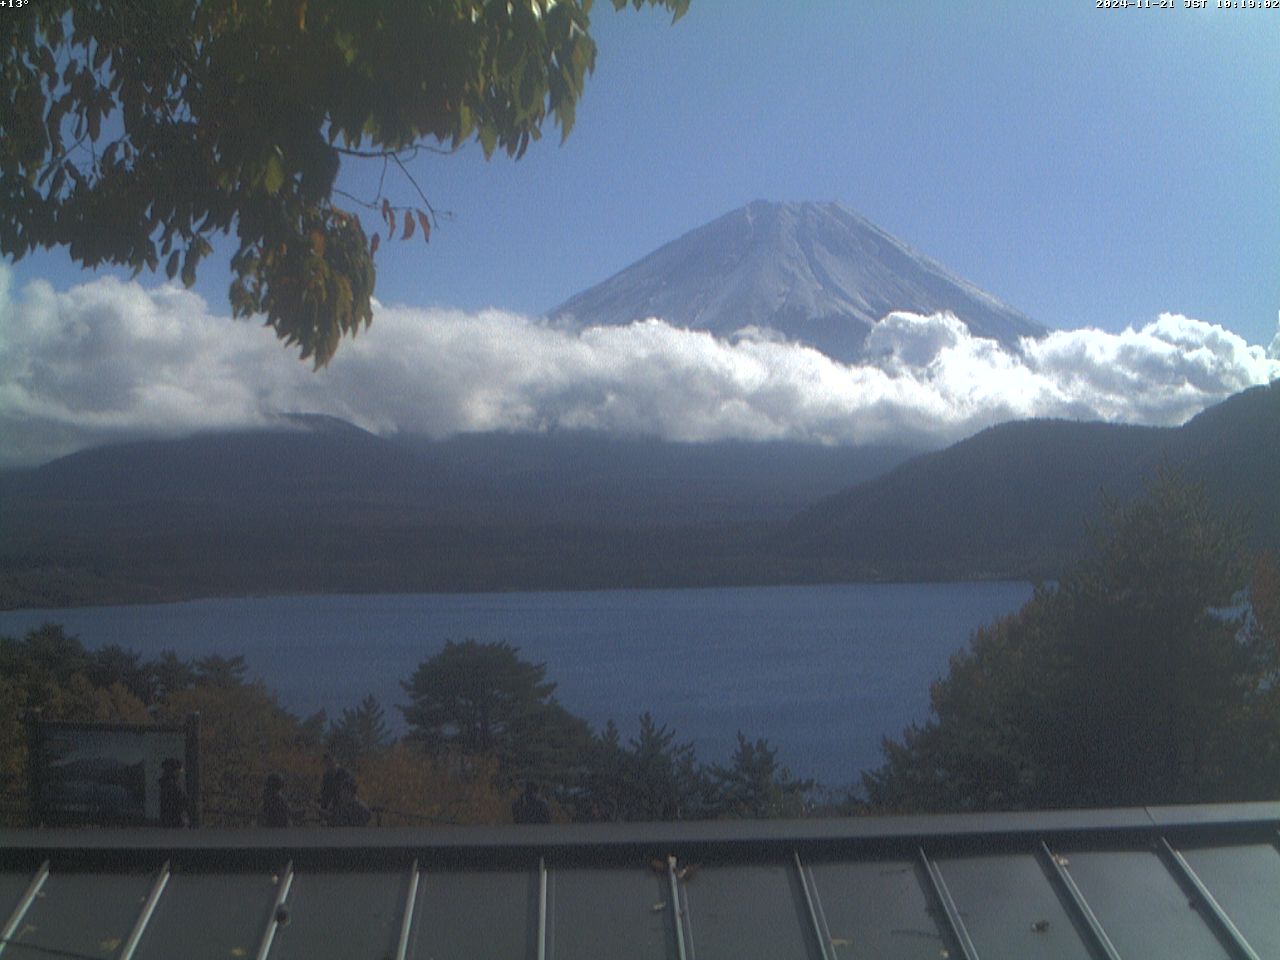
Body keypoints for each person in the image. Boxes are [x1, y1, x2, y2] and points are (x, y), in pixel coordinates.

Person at [158, 757, 189, 828]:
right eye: (179, 770)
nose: (180, 773)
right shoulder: (169, 785)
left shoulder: (172, 784)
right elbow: (174, 803)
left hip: (173, 822)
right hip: (173, 823)